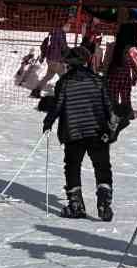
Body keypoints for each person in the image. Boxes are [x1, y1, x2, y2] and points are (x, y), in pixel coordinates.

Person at [43, 45, 117, 220]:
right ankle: (104, 202)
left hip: (73, 132)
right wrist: (110, 128)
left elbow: (58, 106)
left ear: (69, 63)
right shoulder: (97, 81)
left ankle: (76, 205)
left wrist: (48, 122)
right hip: (97, 131)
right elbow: (109, 106)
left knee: (72, 166)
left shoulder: (64, 83)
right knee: (102, 167)